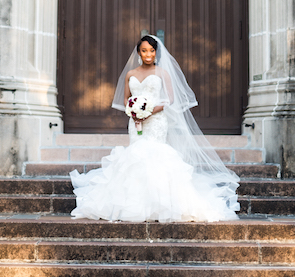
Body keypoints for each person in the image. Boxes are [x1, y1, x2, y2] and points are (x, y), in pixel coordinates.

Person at [70, 35, 239, 222]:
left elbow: (170, 99)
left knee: (156, 155)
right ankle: (134, 203)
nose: (148, 54)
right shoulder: (130, 74)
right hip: (136, 122)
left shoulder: (162, 73)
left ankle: (161, 204)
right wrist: (133, 111)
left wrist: (150, 110)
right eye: (144, 51)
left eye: (151, 50)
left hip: (157, 121)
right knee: (136, 156)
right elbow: (126, 98)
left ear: (156, 52)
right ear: (138, 53)